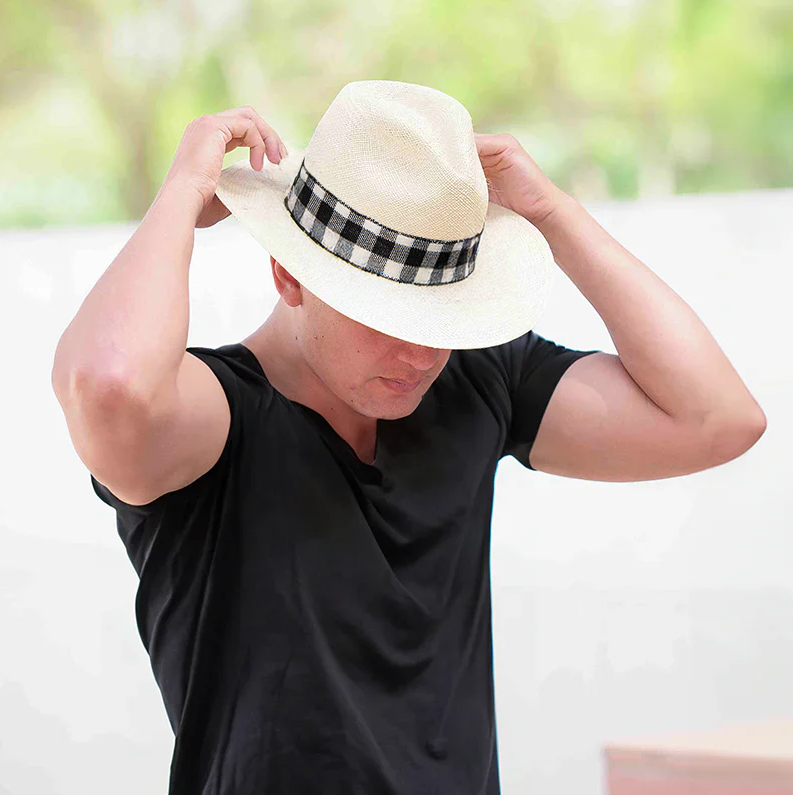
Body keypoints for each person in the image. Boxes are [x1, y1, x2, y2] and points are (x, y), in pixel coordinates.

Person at [52, 81, 765, 794]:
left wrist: (554, 213)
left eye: (443, 317)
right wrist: (180, 195)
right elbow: (109, 384)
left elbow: (717, 418)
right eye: (385, 315)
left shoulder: (475, 381)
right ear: (287, 273)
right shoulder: (213, 422)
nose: (422, 354)